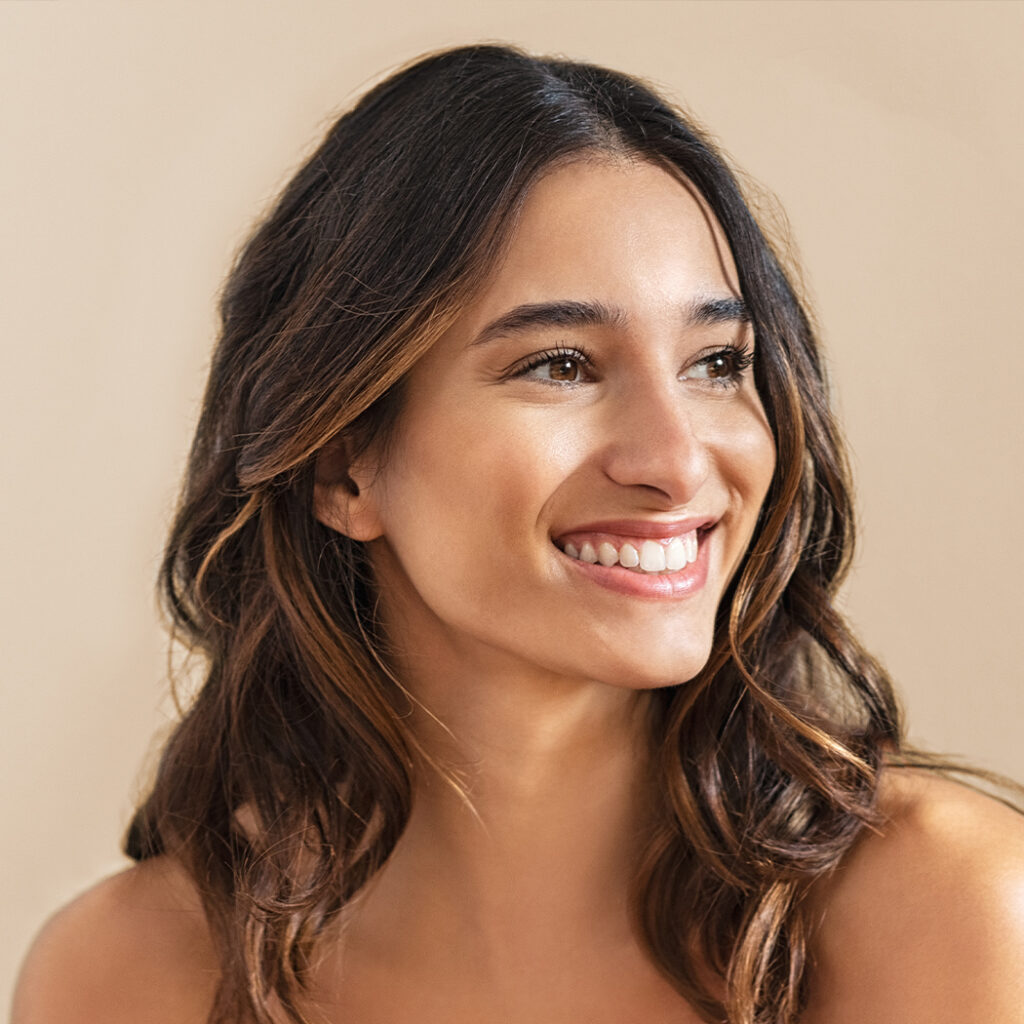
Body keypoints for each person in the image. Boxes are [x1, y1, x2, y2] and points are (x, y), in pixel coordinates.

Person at [13, 43, 1024, 1024]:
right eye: (559, 365)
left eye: (717, 363)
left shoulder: (951, 915)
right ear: (342, 461)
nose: (674, 461)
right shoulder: (125, 980)